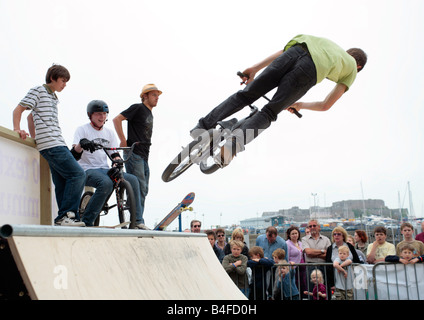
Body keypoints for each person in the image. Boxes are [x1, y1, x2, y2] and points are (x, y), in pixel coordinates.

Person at [189, 34, 367, 166]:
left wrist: (254, 68)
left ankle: (202, 127)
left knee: (245, 95)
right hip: (308, 71)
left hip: (294, 51)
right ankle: (231, 147)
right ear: (358, 66)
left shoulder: (326, 43)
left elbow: (284, 51)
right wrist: (299, 105)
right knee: (269, 112)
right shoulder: (351, 68)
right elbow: (326, 105)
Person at [12, 64, 86, 226]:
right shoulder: (38, 90)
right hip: (52, 144)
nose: (65, 84)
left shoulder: (53, 97)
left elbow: (31, 118)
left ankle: (63, 219)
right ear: (52, 78)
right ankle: (67, 215)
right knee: (78, 174)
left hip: (54, 143)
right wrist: (17, 129)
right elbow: (18, 110)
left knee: (62, 181)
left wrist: (35, 137)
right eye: (62, 80)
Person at [72, 100, 148, 229]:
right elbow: (74, 154)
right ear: (90, 115)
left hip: (104, 169)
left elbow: (114, 154)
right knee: (106, 183)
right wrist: (81, 144)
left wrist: (117, 162)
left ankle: (138, 221)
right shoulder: (82, 130)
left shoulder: (109, 133)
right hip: (88, 170)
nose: (102, 117)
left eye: (104, 114)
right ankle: (87, 221)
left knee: (133, 180)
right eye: (98, 114)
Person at [113, 84, 162, 223]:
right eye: (154, 95)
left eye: (158, 95)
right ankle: (138, 221)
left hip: (144, 156)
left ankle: (134, 215)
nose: (157, 98)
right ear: (145, 96)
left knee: (143, 189)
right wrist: (123, 140)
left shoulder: (149, 112)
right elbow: (117, 119)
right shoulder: (138, 108)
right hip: (134, 154)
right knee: (139, 188)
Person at [325, 226, 360, 300]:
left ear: (343, 236)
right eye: (334, 234)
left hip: (350, 279)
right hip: (337, 281)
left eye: (338, 234)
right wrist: (331, 283)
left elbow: (356, 260)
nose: (336, 236)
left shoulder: (349, 246)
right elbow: (328, 266)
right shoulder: (330, 248)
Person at [285, 225, 307, 298]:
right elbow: (286, 257)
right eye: (293, 234)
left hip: (303, 268)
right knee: (295, 287)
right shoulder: (287, 244)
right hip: (294, 268)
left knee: (303, 287)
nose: (295, 235)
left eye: (296, 233)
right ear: (289, 235)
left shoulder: (301, 243)